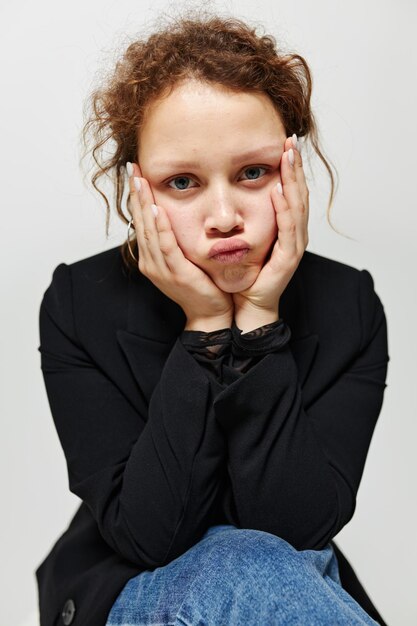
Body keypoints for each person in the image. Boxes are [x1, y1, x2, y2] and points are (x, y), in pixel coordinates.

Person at [35, 10, 390, 626]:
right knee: (234, 560)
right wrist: (204, 327)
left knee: (253, 557)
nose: (223, 214)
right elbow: (149, 535)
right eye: (182, 182)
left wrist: (257, 323)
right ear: (137, 189)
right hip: (133, 589)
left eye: (253, 172)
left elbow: (295, 529)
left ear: (293, 168)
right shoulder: (78, 302)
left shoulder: (349, 307)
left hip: (288, 586)